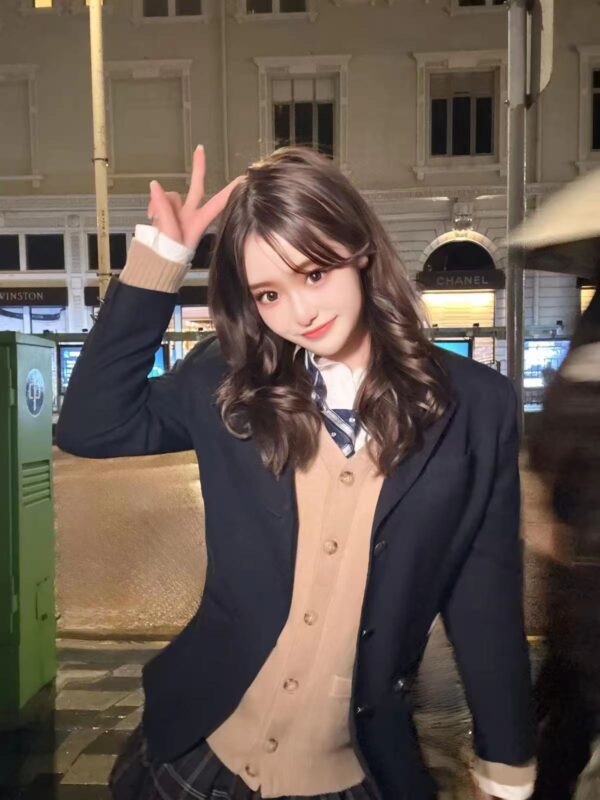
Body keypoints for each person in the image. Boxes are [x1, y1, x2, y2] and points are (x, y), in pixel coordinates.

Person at [56, 146, 536, 800]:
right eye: (269, 294)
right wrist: (162, 259)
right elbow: (90, 426)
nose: (300, 313)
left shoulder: (475, 406)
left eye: (314, 273)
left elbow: (484, 600)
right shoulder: (231, 382)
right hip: (201, 748)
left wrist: (506, 764)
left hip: (354, 767)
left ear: (360, 251)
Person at [529, 280, 600, 800]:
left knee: (566, 707)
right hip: (588, 586)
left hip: (574, 582)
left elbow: (544, 469)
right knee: (573, 713)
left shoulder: (571, 379)